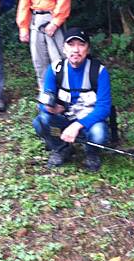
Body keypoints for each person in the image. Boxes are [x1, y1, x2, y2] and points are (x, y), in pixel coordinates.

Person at [33, 28, 111, 171]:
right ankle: (61, 148)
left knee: (99, 133)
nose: (76, 50)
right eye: (71, 44)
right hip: (63, 119)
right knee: (41, 121)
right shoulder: (55, 69)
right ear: (64, 49)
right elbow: (45, 100)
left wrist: (77, 125)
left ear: (87, 49)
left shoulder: (99, 71)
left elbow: (104, 108)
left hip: (89, 120)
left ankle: (92, 153)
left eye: (81, 45)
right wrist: (50, 107)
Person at [16, 0, 71, 91]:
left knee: (60, 57)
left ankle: (64, 91)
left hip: (53, 19)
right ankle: (46, 91)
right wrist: (23, 27)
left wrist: (56, 22)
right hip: (35, 20)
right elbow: (24, 2)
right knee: (38, 59)